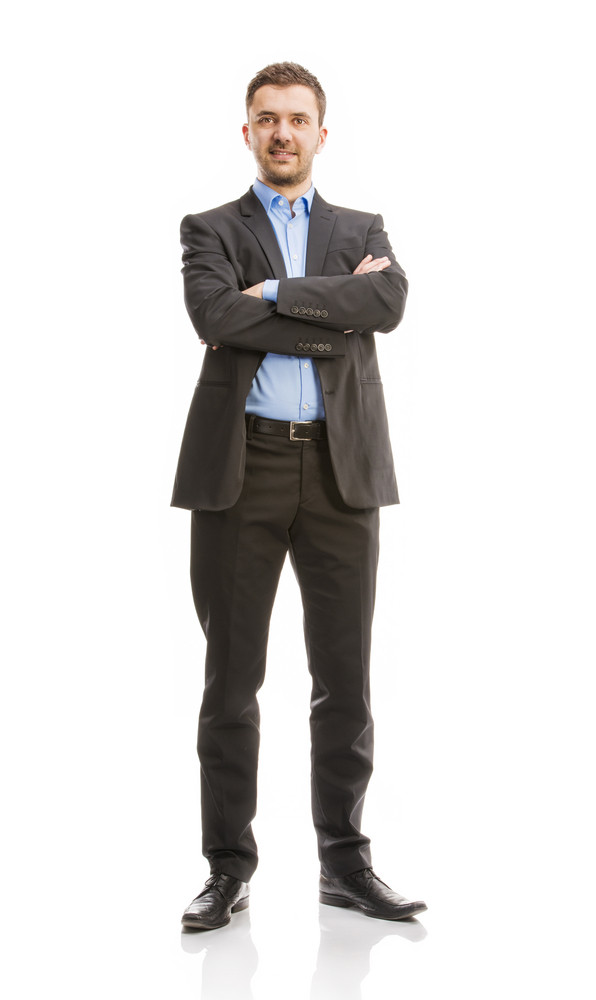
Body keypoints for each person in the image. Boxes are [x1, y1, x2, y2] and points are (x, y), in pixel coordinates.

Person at [172, 62, 426, 930]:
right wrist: (333, 312)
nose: (283, 133)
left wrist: (276, 295)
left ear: (323, 132)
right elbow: (215, 317)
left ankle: (346, 866)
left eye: (298, 119)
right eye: (267, 119)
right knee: (231, 681)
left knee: (346, 682)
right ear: (247, 132)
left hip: (341, 472)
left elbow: (386, 301)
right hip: (239, 471)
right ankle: (227, 869)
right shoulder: (209, 228)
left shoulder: (365, 226)